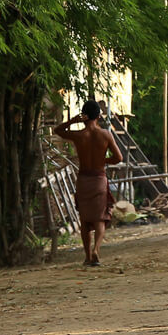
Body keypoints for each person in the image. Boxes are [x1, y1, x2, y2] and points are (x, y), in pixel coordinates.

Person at [50, 100, 124, 266]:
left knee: (85, 221)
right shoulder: (106, 134)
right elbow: (119, 157)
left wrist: (73, 121)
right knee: (100, 219)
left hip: (83, 180)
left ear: (84, 116)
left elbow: (58, 130)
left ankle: (87, 257)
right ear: (98, 115)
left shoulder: (78, 135)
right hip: (98, 179)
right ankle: (96, 250)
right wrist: (103, 160)